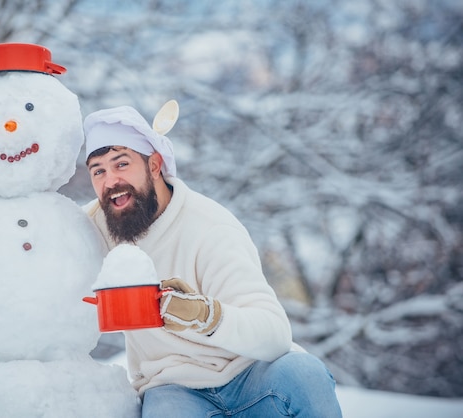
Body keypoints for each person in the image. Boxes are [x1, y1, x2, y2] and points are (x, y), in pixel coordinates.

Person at [82, 105, 343, 418]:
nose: (111, 181)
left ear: (154, 164)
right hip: (172, 388)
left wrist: (205, 316)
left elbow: (275, 335)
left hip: (251, 377)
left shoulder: (210, 227)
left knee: (305, 373)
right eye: (98, 171)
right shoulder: (97, 226)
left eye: (121, 164)